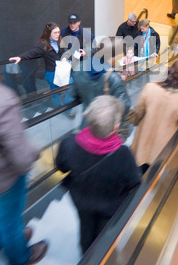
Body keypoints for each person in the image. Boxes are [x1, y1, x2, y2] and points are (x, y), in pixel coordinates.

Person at [0, 27, 48, 265]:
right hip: (5, 176)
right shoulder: (1, 99)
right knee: (10, 217)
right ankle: (19, 258)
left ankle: (10, 234)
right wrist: (34, 154)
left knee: (5, 211)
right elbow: (21, 159)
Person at [56, 95, 141, 253]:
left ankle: (85, 252)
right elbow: (135, 182)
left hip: (81, 200)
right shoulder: (123, 155)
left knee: (85, 225)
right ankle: (100, 257)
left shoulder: (69, 143)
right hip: (109, 205)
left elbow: (61, 167)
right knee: (104, 232)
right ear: (115, 128)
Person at [130, 60, 178, 167]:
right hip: (163, 146)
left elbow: (139, 111)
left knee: (139, 166)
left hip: (144, 138)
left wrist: (135, 122)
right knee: (154, 172)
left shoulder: (150, 87)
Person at [70, 37, 132, 140]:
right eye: (119, 55)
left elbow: (74, 94)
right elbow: (124, 106)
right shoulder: (113, 78)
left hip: (86, 125)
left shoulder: (79, 67)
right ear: (113, 57)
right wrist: (120, 83)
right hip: (105, 131)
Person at [9, 22, 73, 107]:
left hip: (62, 70)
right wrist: (20, 57)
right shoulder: (43, 46)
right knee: (55, 92)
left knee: (71, 85)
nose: (58, 34)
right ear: (49, 33)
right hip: (52, 73)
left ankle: (67, 106)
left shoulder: (59, 41)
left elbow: (65, 51)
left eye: (58, 32)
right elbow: (32, 52)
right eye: (55, 32)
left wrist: (65, 57)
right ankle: (58, 107)